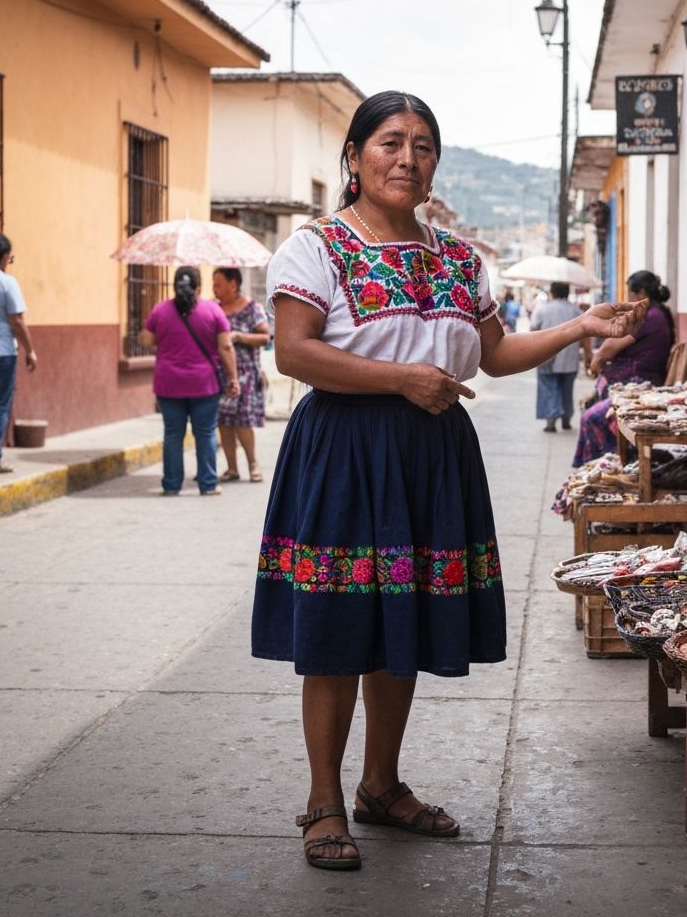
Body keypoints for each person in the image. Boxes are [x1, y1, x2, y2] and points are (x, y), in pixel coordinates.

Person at [251, 90, 645, 873]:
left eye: (423, 145)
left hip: (431, 452)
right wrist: (400, 380)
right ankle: (324, 801)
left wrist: (579, 326)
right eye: (390, 142)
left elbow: (493, 355)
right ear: (355, 156)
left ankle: (381, 784)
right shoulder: (317, 247)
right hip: (345, 449)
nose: (407, 158)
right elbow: (294, 352)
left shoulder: (461, 260)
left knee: (400, 621)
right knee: (337, 626)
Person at [140, 266, 240, 496]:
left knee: (173, 434)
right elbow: (225, 347)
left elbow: (147, 339)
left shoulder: (160, 310)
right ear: (198, 287)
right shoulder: (213, 310)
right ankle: (208, 484)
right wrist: (233, 378)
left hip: (168, 384)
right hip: (204, 384)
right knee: (205, 433)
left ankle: (172, 484)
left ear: (175, 286)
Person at [572, 269, 674, 466]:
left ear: (641, 292)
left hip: (640, 383)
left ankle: (606, 464)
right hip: (639, 379)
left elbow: (608, 349)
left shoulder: (647, 316)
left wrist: (597, 360)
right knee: (593, 406)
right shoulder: (658, 312)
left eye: (630, 293)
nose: (628, 298)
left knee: (590, 418)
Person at [212, 267, 271, 483]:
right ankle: (232, 468)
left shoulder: (252, 308)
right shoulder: (214, 309)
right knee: (224, 421)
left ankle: (253, 464)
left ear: (233, 285)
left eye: (218, 284)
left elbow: (265, 337)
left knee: (243, 421)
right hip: (220, 374)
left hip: (246, 374)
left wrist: (239, 336)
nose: (214, 289)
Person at [0, 233, 37, 474]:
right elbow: (17, 320)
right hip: (1, 352)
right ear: (5, 257)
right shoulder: (7, 283)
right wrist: (30, 350)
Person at [529, 281, 589, 432]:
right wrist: (588, 355)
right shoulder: (576, 311)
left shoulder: (542, 309)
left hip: (546, 356)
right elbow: (586, 336)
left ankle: (551, 420)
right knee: (567, 390)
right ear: (567, 293)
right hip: (570, 358)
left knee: (548, 387)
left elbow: (533, 329)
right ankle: (566, 419)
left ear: (552, 293)